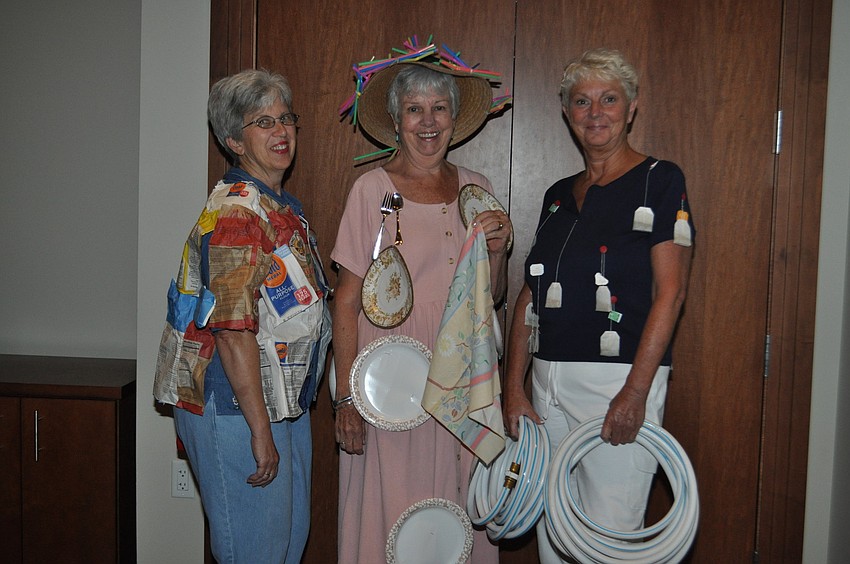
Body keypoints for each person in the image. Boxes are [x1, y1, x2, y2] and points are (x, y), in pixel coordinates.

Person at [502, 48, 695, 563]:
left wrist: (635, 392)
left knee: (608, 540)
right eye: (582, 101)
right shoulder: (557, 195)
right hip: (546, 385)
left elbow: (671, 293)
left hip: (618, 382)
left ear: (631, 108)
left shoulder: (660, 180)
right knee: (554, 535)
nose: (595, 112)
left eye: (609, 99)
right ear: (567, 113)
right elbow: (529, 294)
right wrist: (513, 388)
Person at [331, 45, 512, 563]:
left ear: (454, 119)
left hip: (464, 378)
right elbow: (346, 301)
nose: (427, 121)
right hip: (392, 382)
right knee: (391, 502)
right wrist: (346, 399)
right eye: (414, 109)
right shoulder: (371, 190)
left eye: (439, 108)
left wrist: (498, 252)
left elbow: (493, 296)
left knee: (458, 505)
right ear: (396, 119)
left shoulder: (478, 189)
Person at [153, 68, 331, 564]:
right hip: (235, 405)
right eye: (263, 122)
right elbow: (232, 334)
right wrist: (260, 431)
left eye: (286, 118)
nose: (281, 131)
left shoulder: (278, 205)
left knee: (285, 546)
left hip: (278, 400)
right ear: (233, 140)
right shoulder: (237, 213)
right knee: (255, 551)